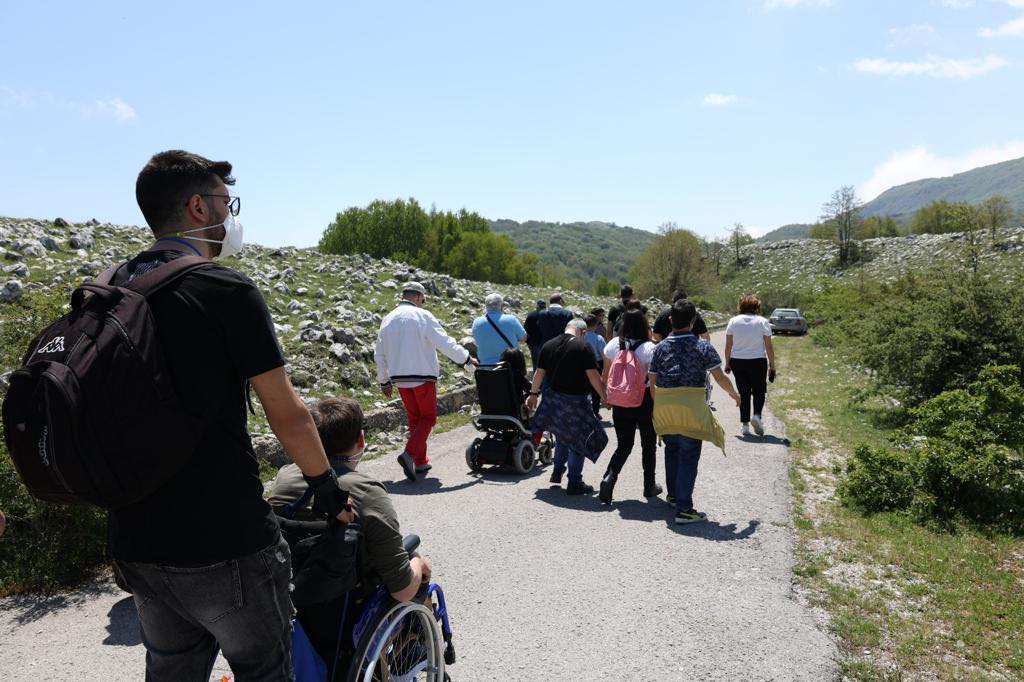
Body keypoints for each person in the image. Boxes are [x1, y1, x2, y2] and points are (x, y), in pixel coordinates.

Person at [110, 150, 351, 682]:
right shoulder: (223, 289)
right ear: (198, 207)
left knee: (171, 672)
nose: (231, 214)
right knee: (265, 669)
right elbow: (287, 415)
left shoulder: (111, 287)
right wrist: (328, 489)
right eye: (226, 201)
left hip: (136, 538)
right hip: (224, 540)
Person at [268, 397, 431, 660]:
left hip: (291, 596)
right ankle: (409, 654)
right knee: (416, 566)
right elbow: (401, 589)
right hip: (348, 608)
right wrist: (418, 564)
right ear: (361, 440)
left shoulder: (286, 477)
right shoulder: (367, 492)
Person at [375, 281, 477, 481]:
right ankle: (410, 453)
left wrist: (384, 380)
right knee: (429, 418)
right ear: (419, 297)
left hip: (400, 379)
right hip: (422, 376)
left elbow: (379, 352)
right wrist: (465, 359)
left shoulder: (387, 319)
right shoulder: (423, 316)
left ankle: (420, 461)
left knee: (416, 419)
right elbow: (444, 342)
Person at [649, 301, 740, 524]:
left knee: (671, 450)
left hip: (665, 406)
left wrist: (659, 404)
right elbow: (719, 376)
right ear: (693, 321)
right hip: (691, 407)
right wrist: (734, 394)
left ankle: (673, 496)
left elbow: (652, 381)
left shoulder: (659, 348)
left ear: (670, 320)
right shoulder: (702, 346)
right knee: (688, 456)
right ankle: (684, 509)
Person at [527, 319, 608, 495]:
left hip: (553, 399)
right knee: (578, 440)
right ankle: (575, 481)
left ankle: (557, 472)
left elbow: (539, 372)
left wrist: (533, 395)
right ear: (583, 332)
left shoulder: (548, 345)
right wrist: (604, 397)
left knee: (562, 435)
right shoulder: (582, 347)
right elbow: (594, 376)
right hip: (575, 401)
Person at [599, 309, 662, 504]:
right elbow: (655, 380)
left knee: (624, 445)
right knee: (648, 445)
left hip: (620, 401)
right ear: (645, 326)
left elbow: (605, 375)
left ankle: (609, 477)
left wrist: (606, 397)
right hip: (644, 401)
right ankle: (649, 486)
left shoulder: (612, 345)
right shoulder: (650, 349)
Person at [724, 295, 776, 437]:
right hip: (757, 360)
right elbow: (769, 346)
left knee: (744, 392)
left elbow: (729, 345)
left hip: (737, 361)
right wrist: (772, 366)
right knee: (759, 391)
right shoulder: (762, 322)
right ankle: (757, 416)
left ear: (741, 306)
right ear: (756, 307)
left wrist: (727, 362)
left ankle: (745, 425)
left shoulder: (733, 321)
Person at [471, 293, 527, 366]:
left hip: (486, 368)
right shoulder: (511, 319)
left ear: (486, 306)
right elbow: (524, 338)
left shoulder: (477, 322)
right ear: (501, 306)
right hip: (509, 368)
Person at [584, 315, 606, 416]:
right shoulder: (599, 338)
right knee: (596, 389)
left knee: (584, 389)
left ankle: (585, 411)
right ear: (596, 325)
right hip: (596, 364)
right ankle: (595, 411)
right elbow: (603, 355)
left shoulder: (581, 336)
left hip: (583, 364)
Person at [524, 299, 546, 368]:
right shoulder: (547, 315)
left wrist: (528, 342)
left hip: (533, 343)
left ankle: (536, 377)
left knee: (536, 363)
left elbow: (525, 329)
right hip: (545, 342)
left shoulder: (531, 315)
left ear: (537, 306)